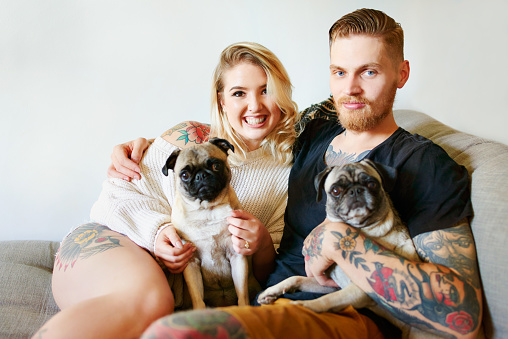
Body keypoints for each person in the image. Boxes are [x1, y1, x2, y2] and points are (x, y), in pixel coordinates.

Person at [110, 8, 483, 339]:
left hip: (343, 314)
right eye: (339, 72)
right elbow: (241, 123)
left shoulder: (424, 163)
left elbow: (463, 315)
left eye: (369, 71)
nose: (350, 89)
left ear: (401, 74)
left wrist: (342, 240)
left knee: (177, 333)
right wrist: (147, 145)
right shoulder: (313, 131)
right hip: (264, 302)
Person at [37, 42, 299, 339]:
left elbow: (269, 267)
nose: (254, 105)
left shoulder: (291, 169)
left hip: (172, 279)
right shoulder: (189, 137)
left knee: (162, 305)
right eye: (239, 93)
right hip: (111, 243)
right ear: (222, 100)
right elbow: (111, 198)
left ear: (283, 92)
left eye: (266, 90)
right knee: (154, 300)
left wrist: (261, 241)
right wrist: (158, 231)